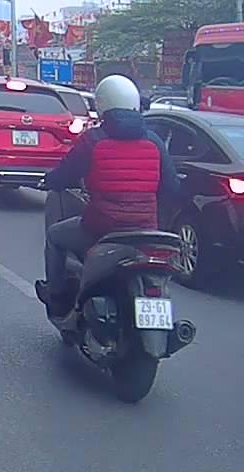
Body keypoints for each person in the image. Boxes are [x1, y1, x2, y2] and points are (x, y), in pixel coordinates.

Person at [33, 74, 181, 318]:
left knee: (55, 237)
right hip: (145, 229)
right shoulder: (154, 141)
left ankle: (56, 295)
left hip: (101, 227)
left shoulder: (93, 139)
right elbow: (172, 188)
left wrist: (50, 181)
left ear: (102, 104)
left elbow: (66, 173)